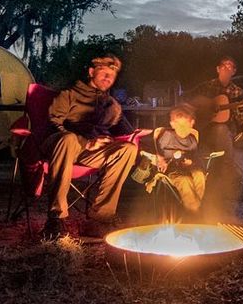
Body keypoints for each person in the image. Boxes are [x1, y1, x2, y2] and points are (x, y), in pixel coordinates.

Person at [40, 53, 138, 240]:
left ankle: (101, 218)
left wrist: (134, 133)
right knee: (67, 139)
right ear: (92, 72)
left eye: (112, 76)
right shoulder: (69, 94)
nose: (108, 79)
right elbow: (52, 124)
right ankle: (56, 217)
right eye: (103, 74)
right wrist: (86, 142)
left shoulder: (109, 102)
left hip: (90, 152)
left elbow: (126, 131)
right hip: (61, 146)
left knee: (128, 149)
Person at [197, 56, 243, 213]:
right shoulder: (206, 87)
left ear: (234, 72)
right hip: (205, 127)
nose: (227, 69)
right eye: (224, 66)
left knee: (221, 130)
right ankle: (223, 183)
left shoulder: (237, 92)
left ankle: (222, 190)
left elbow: (240, 119)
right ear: (217, 69)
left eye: (230, 67)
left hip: (226, 131)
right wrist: (205, 107)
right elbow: (191, 100)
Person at [150, 102, 207, 214]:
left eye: (185, 125)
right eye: (179, 125)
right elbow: (156, 149)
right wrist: (160, 158)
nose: (182, 129)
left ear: (192, 123)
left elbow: (196, 157)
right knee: (185, 181)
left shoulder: (192, 140)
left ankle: (195, 206)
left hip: (189, 167)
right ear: (172, 124)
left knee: (200, 176)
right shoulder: (167, 136)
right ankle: (194, 212)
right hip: (172, 169)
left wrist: (191, 162)